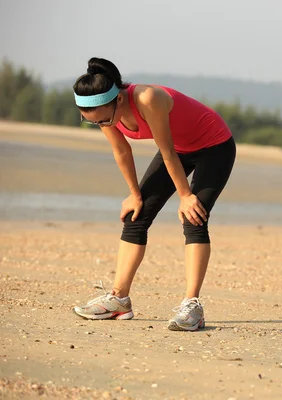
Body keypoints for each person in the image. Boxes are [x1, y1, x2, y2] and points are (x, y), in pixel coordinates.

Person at [71, 57, 236, 331]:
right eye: (94, 122)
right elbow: (121, 150)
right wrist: (134, 193)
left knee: (193, 217)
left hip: (214, 146)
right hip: (179, 149)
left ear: (119, 101)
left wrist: (186, 195)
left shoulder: (148, 98)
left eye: (104, 119)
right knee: (136, 216)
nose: (102, 124)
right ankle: (119, 299)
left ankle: (192, 306)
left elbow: (168, 151)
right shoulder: (104, 110)